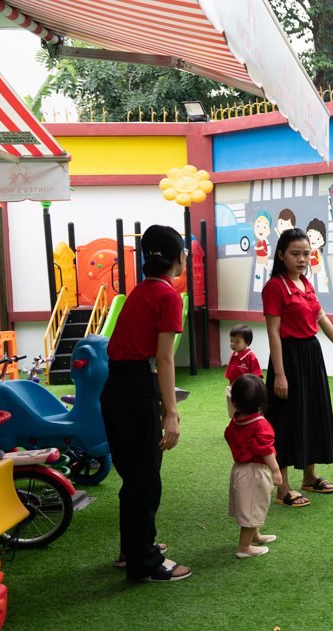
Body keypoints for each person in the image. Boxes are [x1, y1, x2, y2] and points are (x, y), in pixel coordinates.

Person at [100, 225, 191, 582]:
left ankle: (133, 548)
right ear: (179, 257)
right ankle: (145, 562)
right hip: (137, 390)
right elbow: (164, 359)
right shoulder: (168, 296)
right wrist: (171, 413)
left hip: (116, 388)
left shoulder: (139, 291)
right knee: (145, 480)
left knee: (134, 478)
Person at [262, 228, 333, 508]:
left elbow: (320, 316)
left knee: (312, 413)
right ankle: (282, 488)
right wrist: (279, 375)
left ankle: (309, 477)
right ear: (281, 255)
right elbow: (274, 333)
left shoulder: (304, 282)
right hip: (288, 357)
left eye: (306, 254)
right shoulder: (275, 287)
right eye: (295, 254)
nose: (302, 259)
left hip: (311, 355)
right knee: (284, 419)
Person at [225, 374, 282, 559]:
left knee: (253, 505)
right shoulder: (260, 424)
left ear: (235, 401)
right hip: (255, 471)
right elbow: (266, 449)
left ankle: (255, 536)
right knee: (252, 507)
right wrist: (275, 470)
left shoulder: (236, 421)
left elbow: (228, 436)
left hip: (239, 469)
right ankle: (244, 547)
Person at [225, 324, 262, 418]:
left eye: (237, 341)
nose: (233, 344)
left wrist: (252, 392)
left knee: (246, 414)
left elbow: (257, 377)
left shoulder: (251, 357)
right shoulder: (233, 355)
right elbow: (230, 375)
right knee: (234, 413)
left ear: (247, 342)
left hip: (246, 392)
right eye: (231, 341)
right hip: (234, 390)